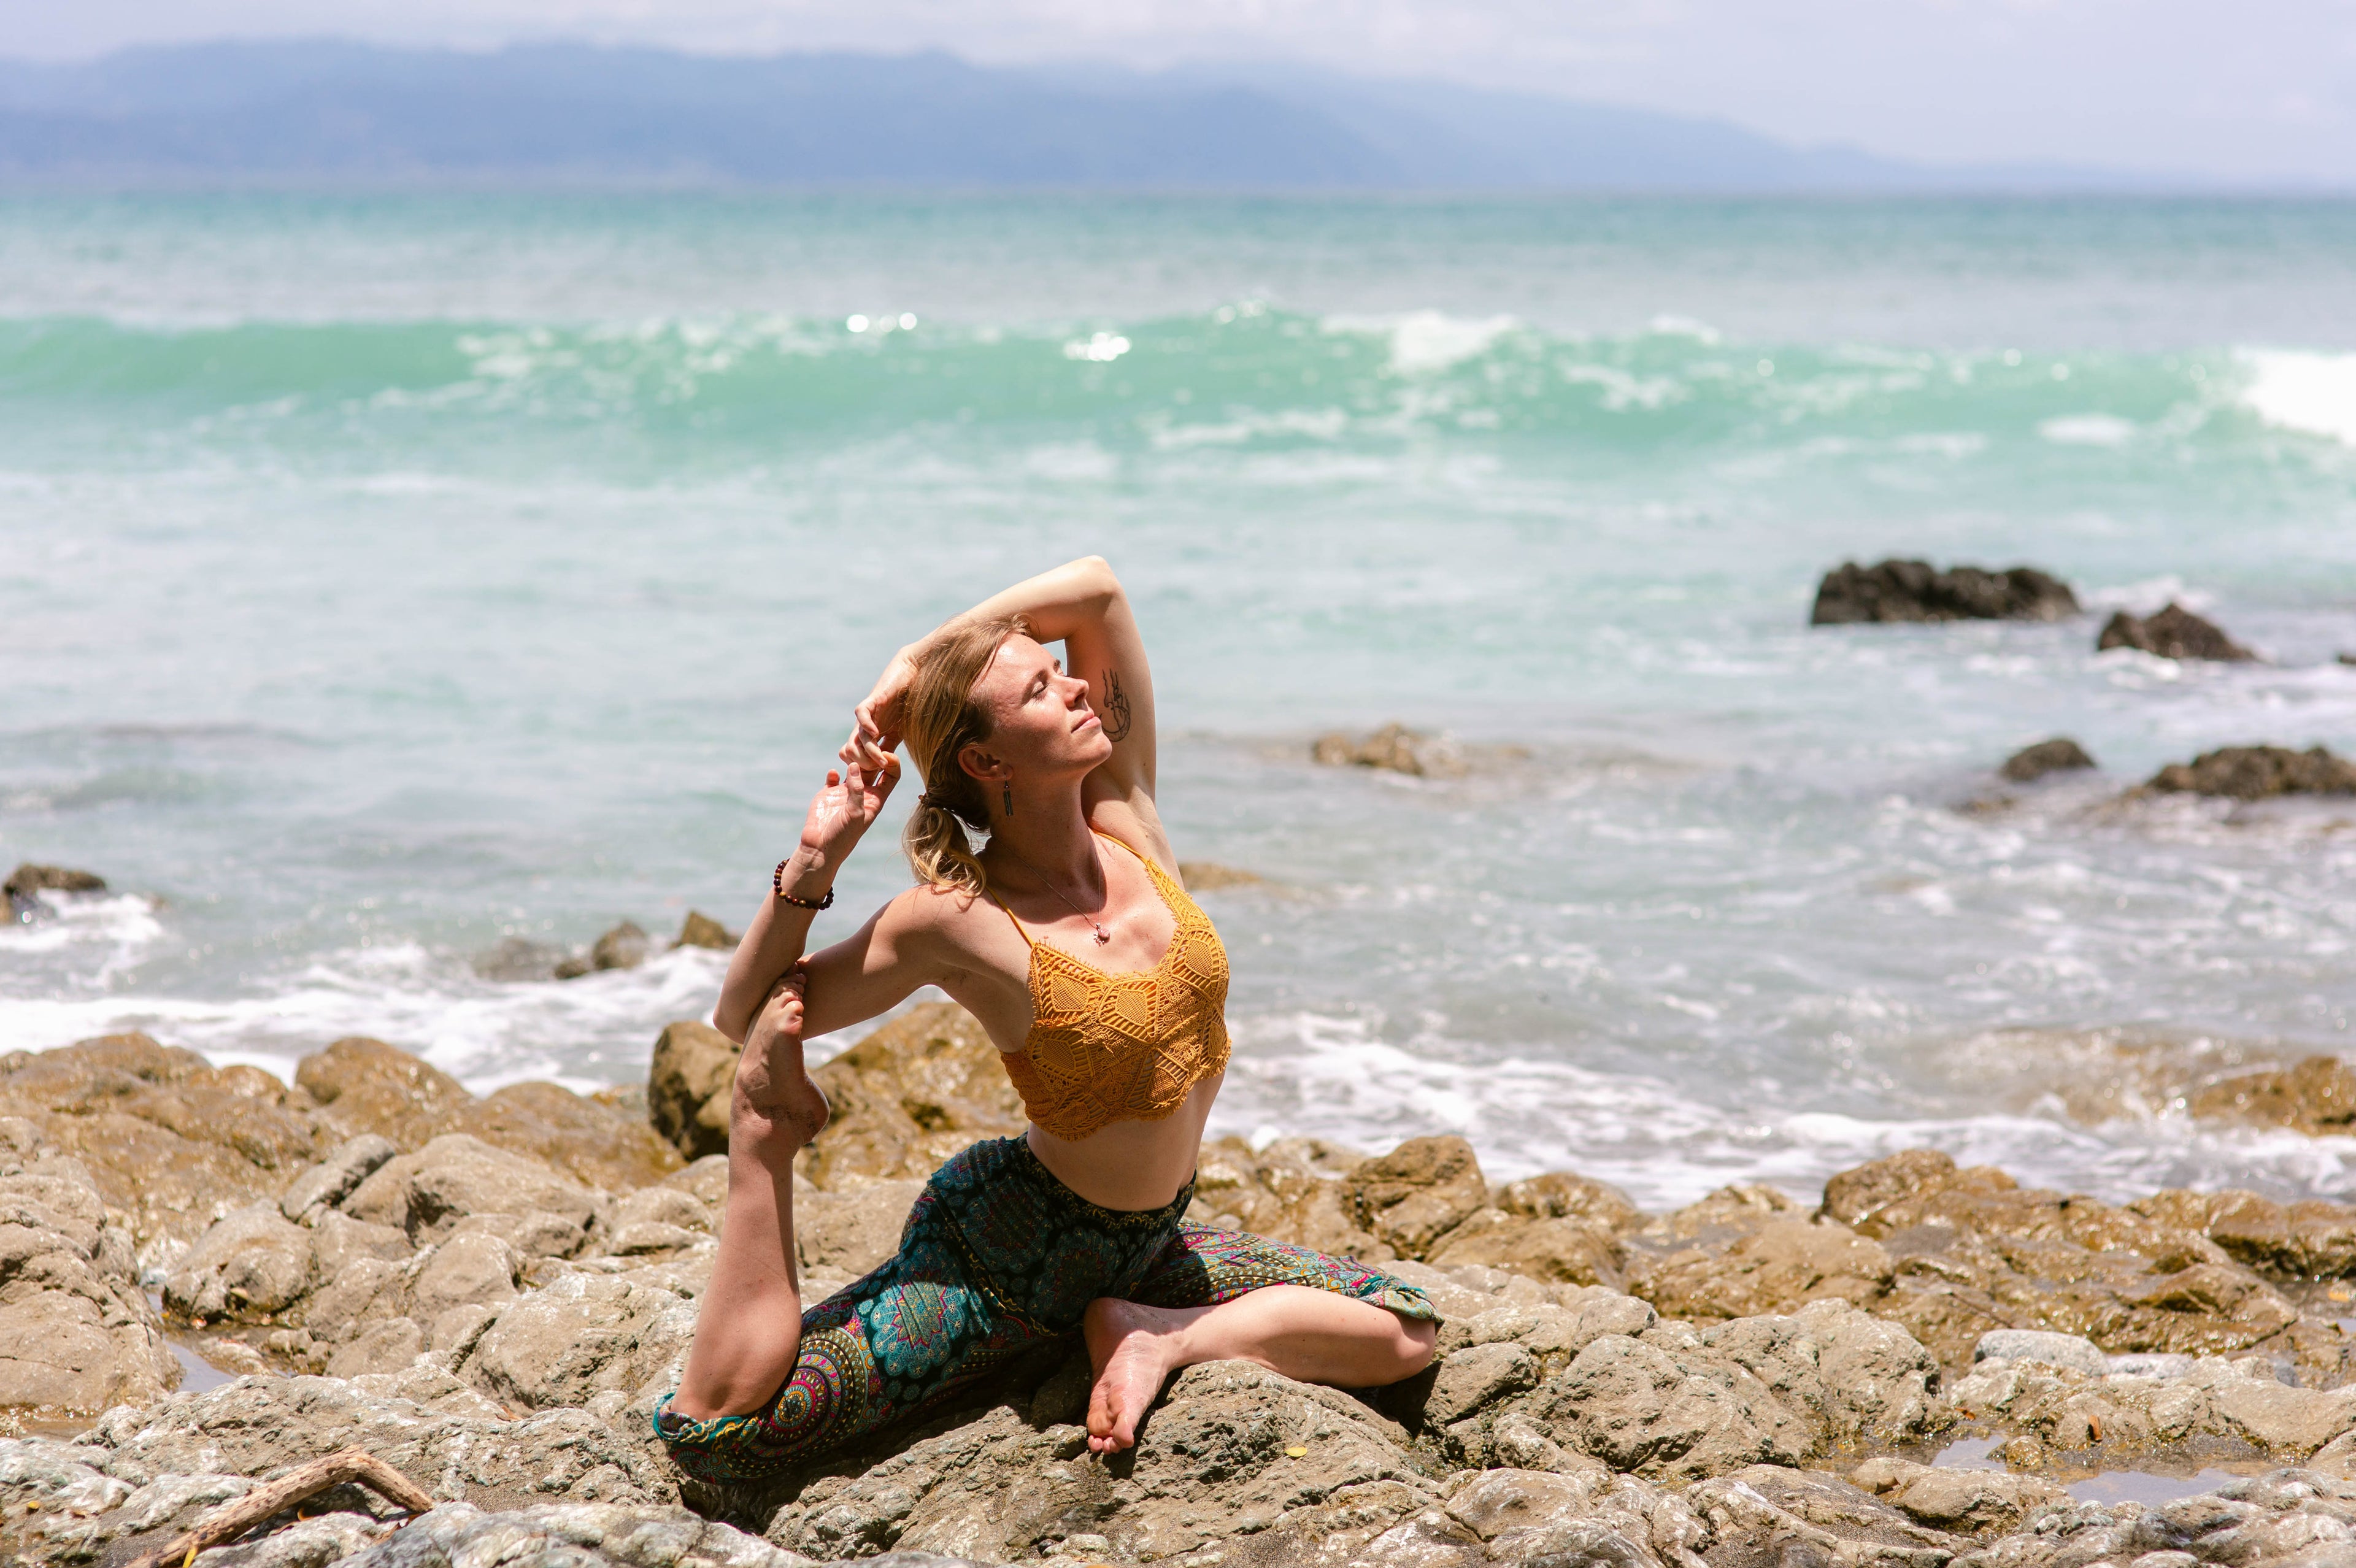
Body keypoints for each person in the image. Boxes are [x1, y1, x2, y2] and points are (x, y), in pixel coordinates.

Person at [655, 557, 1438, 1484]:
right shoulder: (955, 917)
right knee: (729, 1431)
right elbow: (744, 1010)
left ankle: (1157, 1339)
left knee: (1403, 1329)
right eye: (1038, 686)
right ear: (987, 763)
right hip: (1006, 1258)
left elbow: (1097, 590)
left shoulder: (1128, 822)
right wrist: (819, 857)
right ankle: (765, 1153)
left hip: (1149, 1242)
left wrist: (917, 657)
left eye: (1059, 670)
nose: (1073, 685)